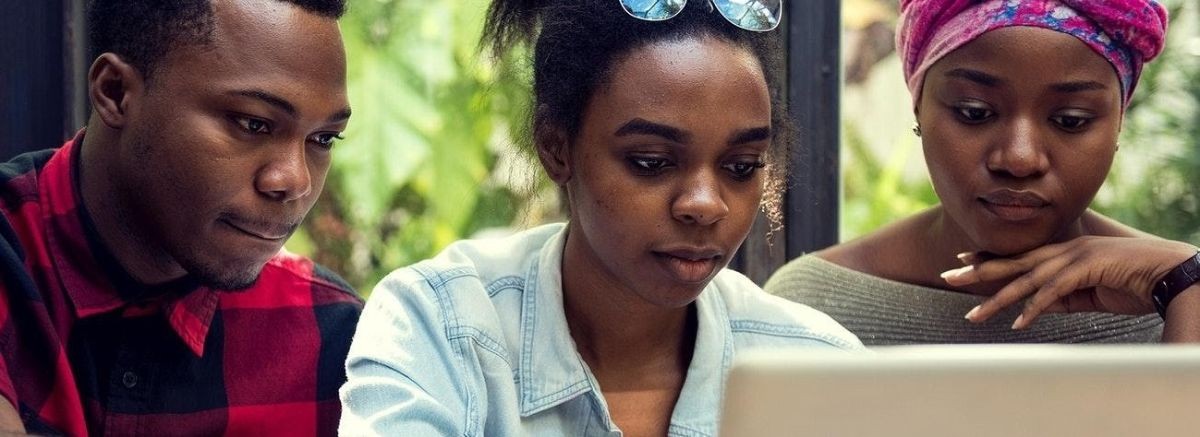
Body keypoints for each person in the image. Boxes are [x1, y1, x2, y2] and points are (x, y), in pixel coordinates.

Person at [338, 0, 862, 435]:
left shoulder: (817, 367)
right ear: (556, 146)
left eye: (741, 167)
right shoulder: (441, 329)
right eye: (651, 162)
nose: (706, 204)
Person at [0, 0, 362, 434]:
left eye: (323, 139)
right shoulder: (12, 251)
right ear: (114, 91)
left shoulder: (335, 338)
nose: (295, 180)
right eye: (253, 124)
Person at [765, 0, 1200, 345]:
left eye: (1070, 119)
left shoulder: (1175, 294)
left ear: (1118, 121)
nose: (1019, 159)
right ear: (918, 106)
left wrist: (1185, 284)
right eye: (974, 112)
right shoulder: (811, 305)